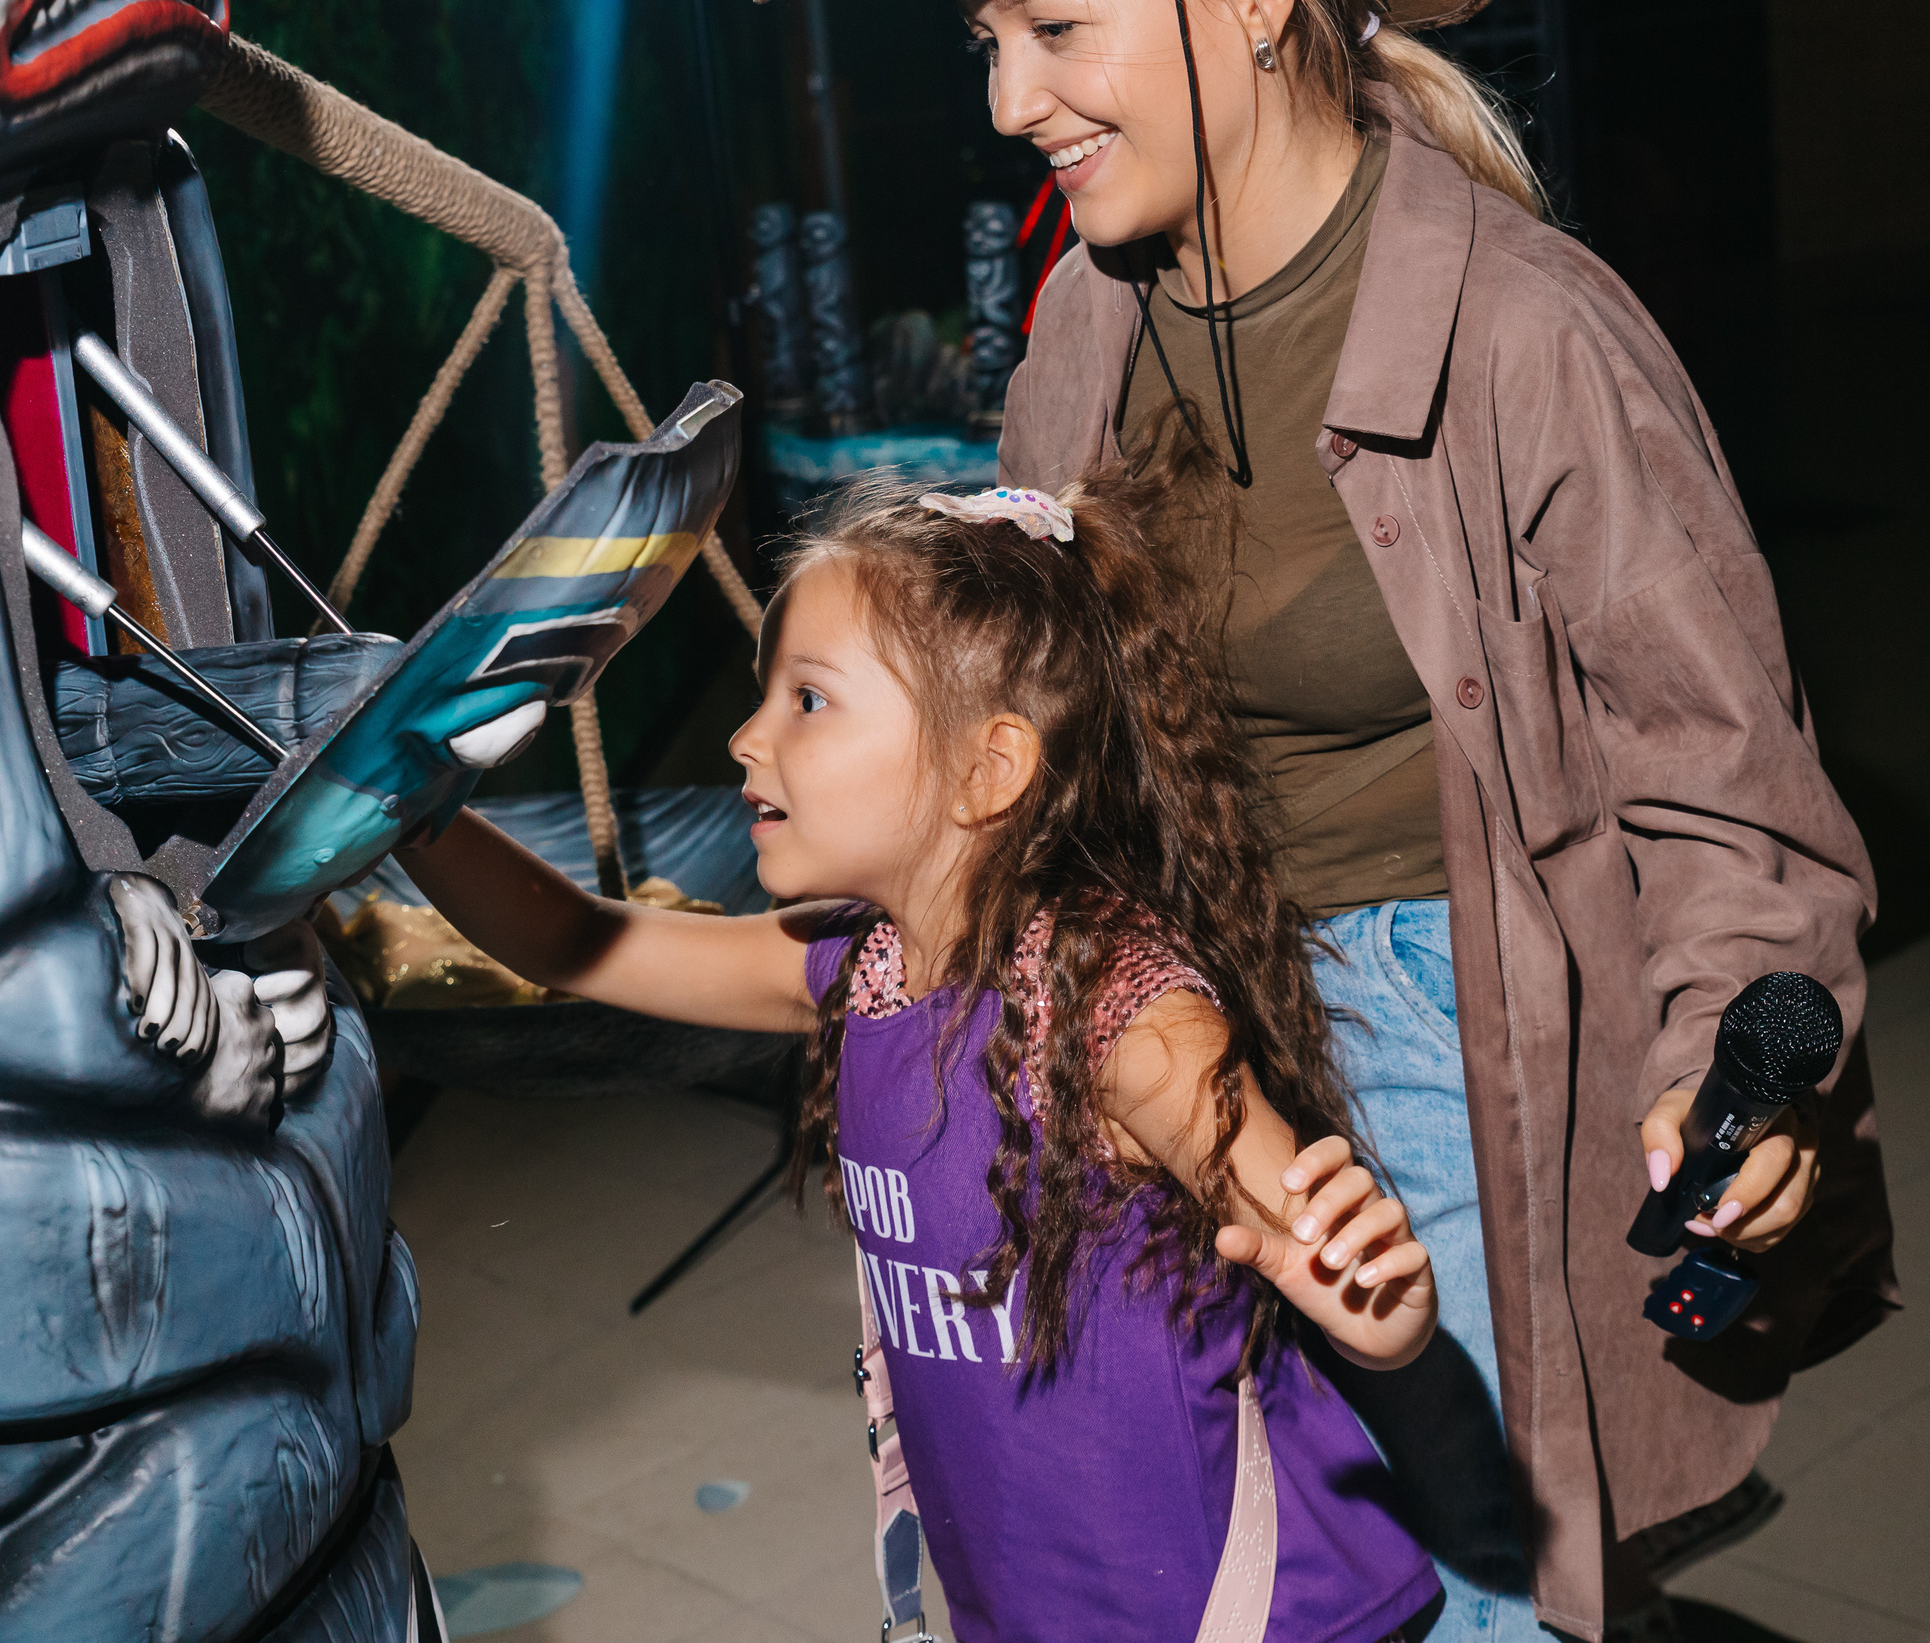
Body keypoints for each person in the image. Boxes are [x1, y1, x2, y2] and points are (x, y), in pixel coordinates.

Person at [747, 0, 1900, 1640]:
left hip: (1447, 1027)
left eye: (1056, 29)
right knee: (1262, 1562)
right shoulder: (1085, 324)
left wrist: (1735, 1038)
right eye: (987, 43)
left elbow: (1722, 771)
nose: (1008, 101)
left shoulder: (1529, 331)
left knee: (1479, 1583)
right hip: (1177, 1015)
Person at [400, 475, 1448, 1642]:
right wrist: (413, 807)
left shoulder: (1121, 1014)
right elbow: (574, 942)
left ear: (985, 769)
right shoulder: (861, 970)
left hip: (1255, 1614)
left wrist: (1383, 1307)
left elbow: (1333, 1266)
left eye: (808, 700)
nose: (747, 737)